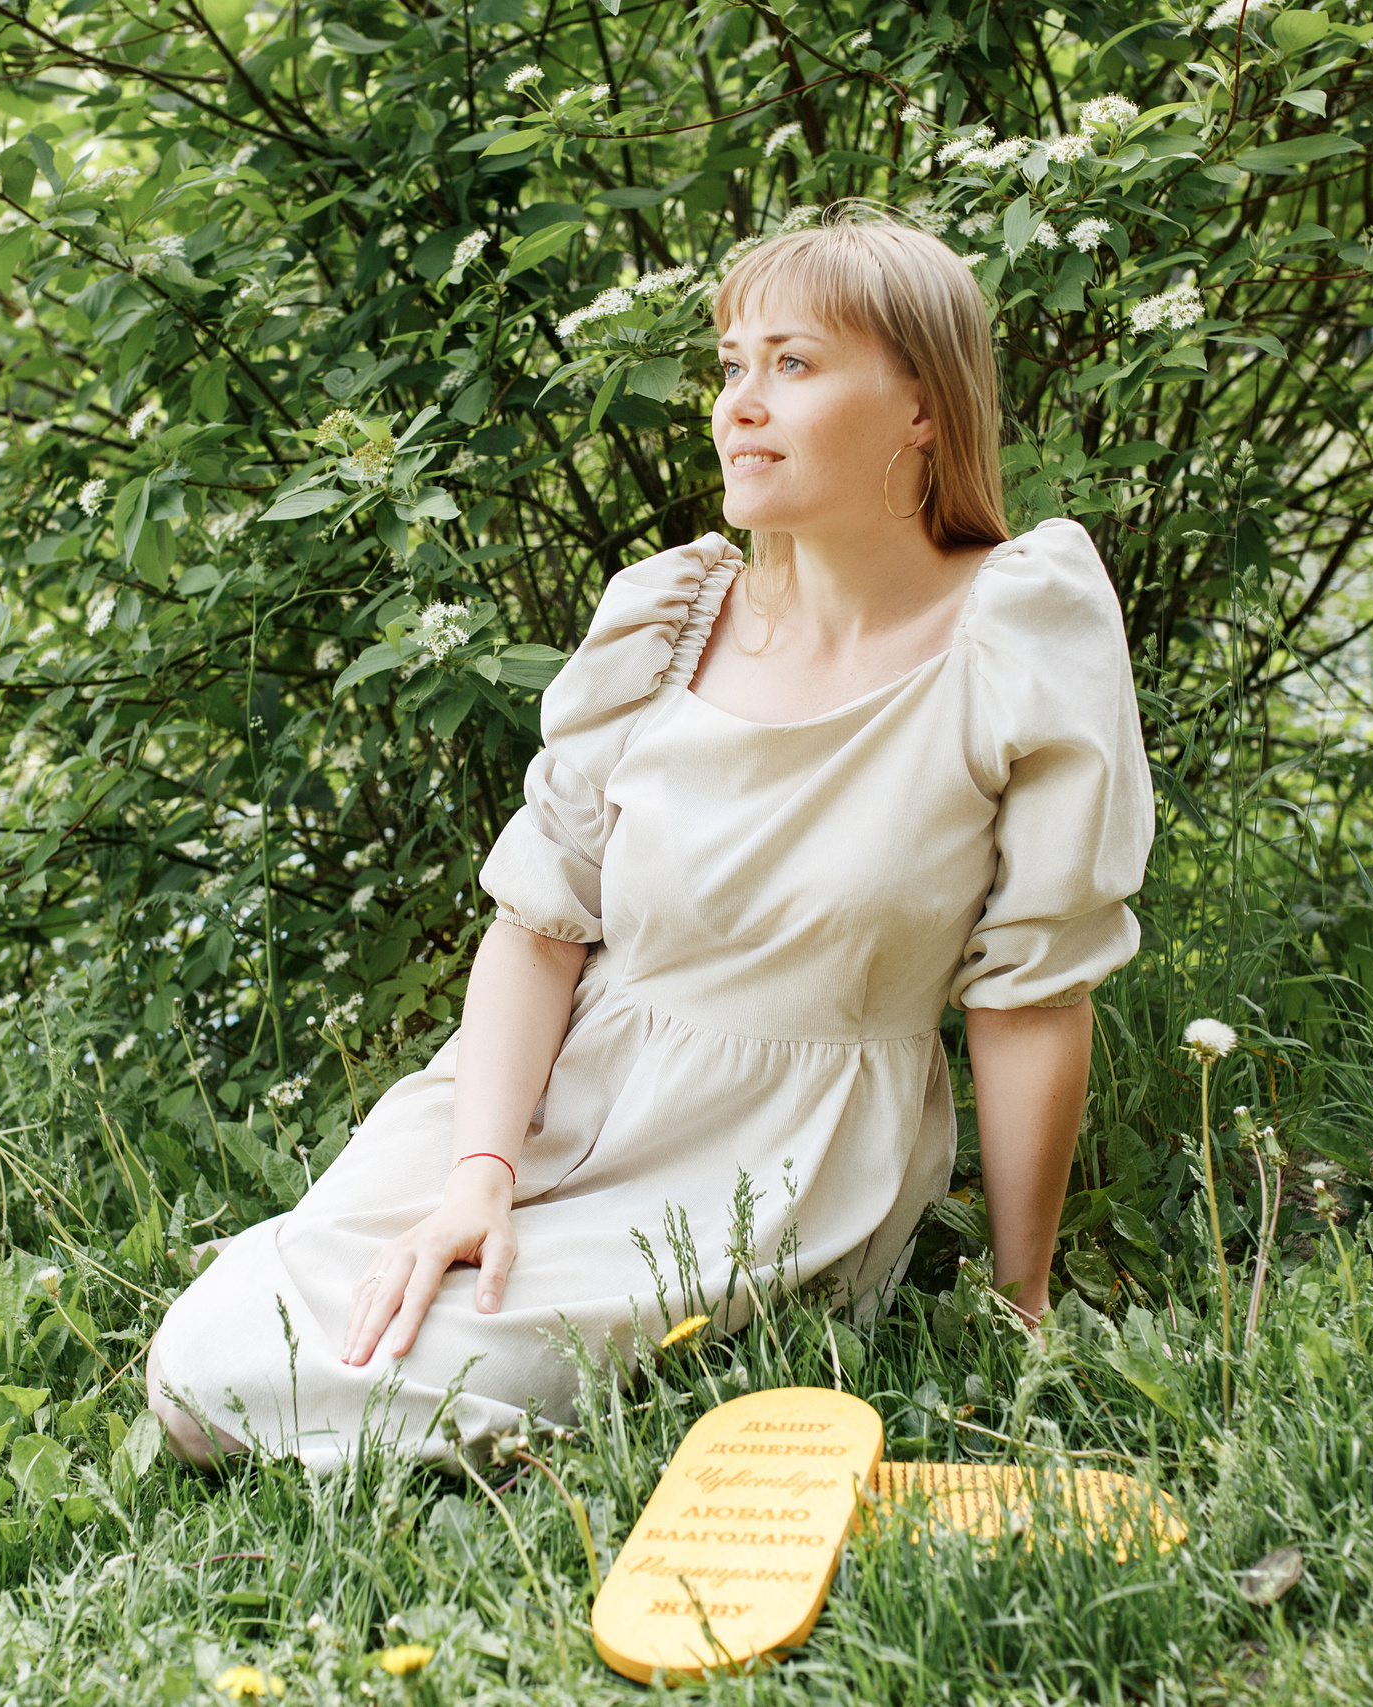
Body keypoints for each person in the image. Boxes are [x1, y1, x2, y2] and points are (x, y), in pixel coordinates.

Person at [145, 211, 1154, 1471]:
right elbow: (538, 927)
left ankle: (553, 1422)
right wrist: (479, 1174)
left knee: (331, 1382)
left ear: (921, 407)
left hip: (780, 1162)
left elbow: (1031, 992)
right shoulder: (666, 621)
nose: (740, 403)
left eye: (792, 363)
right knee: (212, 1357)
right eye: (732, 366)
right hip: (560, 1092)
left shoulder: (1017, 632)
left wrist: (1023, 1301)